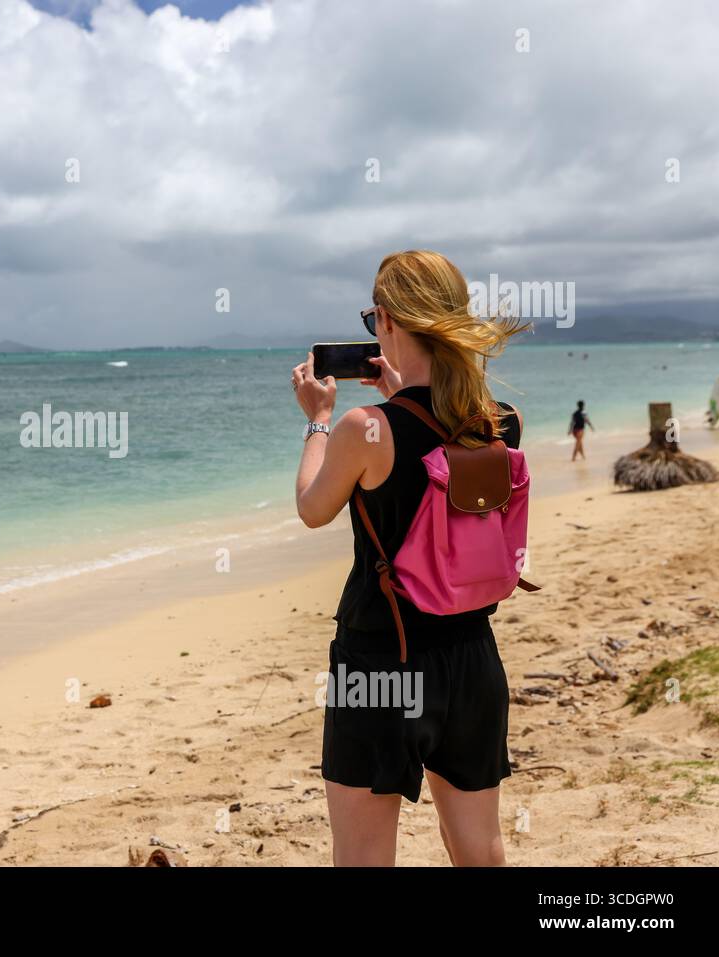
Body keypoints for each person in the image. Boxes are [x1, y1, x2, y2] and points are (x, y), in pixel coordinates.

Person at [290, 250, 528, 866]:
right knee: (480, 848)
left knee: (365, 856)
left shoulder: (362, 428)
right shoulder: (499, 424)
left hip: (380, 660)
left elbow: (314, 508)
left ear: (390, 320)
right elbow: (435, 444)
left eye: (375, 318)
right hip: (471, 657)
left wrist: (318, 422)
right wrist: (405, 397)